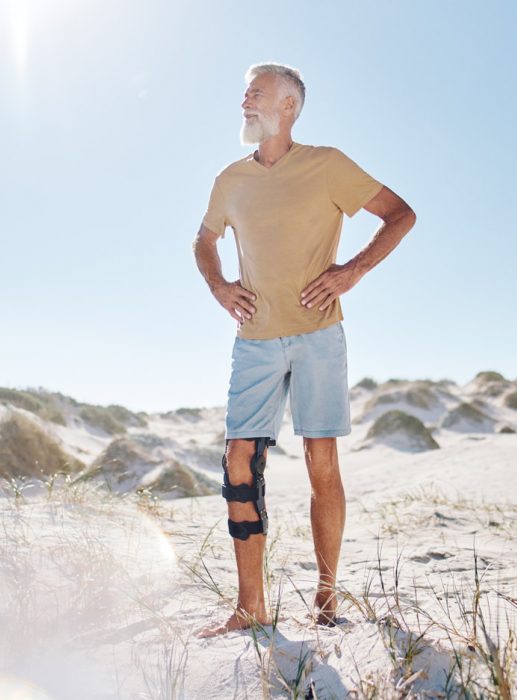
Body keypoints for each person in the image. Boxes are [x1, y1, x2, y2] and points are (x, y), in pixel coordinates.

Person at [193, 62, 416, 638]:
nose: (246, 100)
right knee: (239, 460)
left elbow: (400, 214)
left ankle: (325, 596)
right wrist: (219, 285)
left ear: (288, 105)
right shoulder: (230, 179)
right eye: (244, 92)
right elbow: (204, 238)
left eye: (257, 92)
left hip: (319, 334)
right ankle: (251, 607)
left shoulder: (327, 164)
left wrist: (352, 271)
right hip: (255, 339)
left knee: (321, 461)